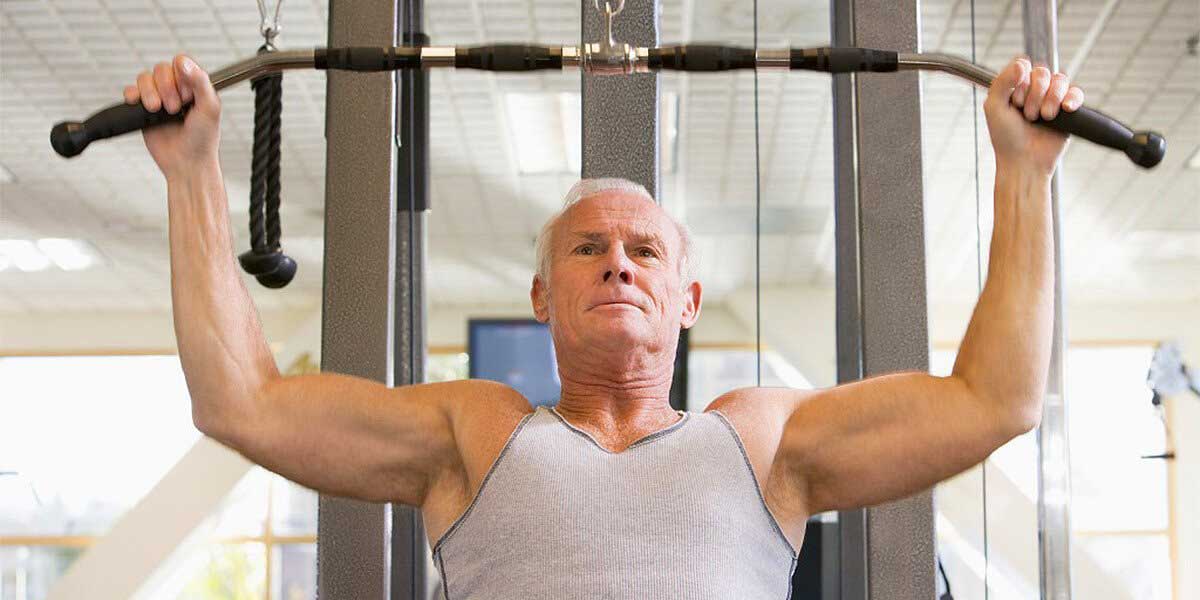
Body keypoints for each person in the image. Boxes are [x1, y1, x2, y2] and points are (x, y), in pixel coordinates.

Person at [125, 54, 1082, 597]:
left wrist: (1024, 173)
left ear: (688, 300)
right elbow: (239, 401)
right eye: (586, 250)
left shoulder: (765, 438)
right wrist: (191, 173)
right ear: (542, 295)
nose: (618, 261)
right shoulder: (474, 432)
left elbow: (994, 401)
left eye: (645, 252)